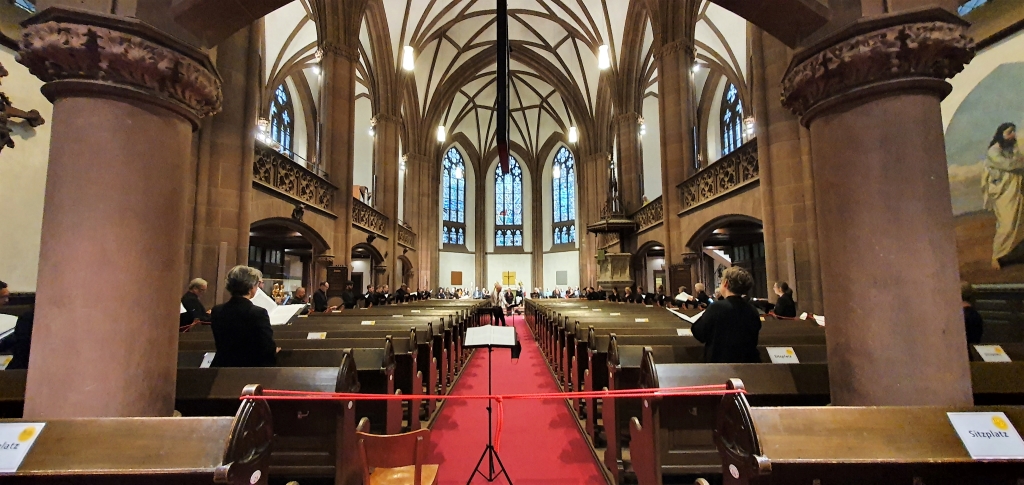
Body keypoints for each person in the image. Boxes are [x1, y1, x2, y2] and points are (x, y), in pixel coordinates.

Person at [210, 266, 278, 367]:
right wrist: (274, 350)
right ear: (251, 287)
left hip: (222, 365)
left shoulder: (217, 310)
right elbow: (266, 346)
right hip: (249, 367)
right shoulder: (258, 313)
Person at [691, 267, 762, 363]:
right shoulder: (752, 310)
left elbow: (700, 334)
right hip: (748, 362)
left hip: (720, 361)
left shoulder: (717, 307)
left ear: (726, 283)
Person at [984, 123, 1024, 269]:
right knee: (1006, 225)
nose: (1013, 135)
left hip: (1015, 191)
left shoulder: (1012, 149)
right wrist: (1019, 162)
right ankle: (997, 257)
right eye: (1009, 132)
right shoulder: (993, 151)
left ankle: (1008, 258)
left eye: (1014, 132)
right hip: (1002, 192)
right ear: (1001, 134)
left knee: (1015, 224)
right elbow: (1010, 165)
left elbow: (1018, 162)